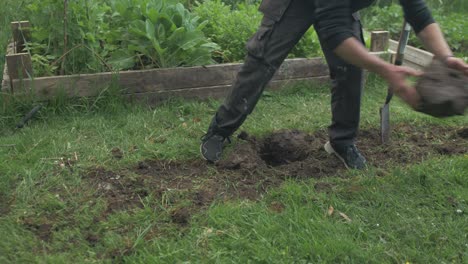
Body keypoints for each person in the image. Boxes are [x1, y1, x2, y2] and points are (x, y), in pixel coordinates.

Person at [200, 0, 468, 169]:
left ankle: (342, 142)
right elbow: (335, 33)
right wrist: (385, 68)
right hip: (295, 4)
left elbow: (419, 13)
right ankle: (220, 130)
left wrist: (446, 57)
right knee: (262, 62)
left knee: (350, 69)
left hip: (340, 5)